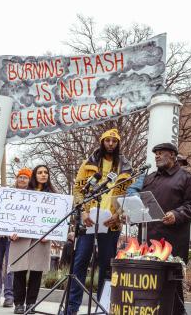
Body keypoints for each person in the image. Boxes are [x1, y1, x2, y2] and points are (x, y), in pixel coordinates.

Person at [68, 128, 133, 315]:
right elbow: (79, 190)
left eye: (114, 141)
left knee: (106, 267)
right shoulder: (89, 163)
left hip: (111, 223)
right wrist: (83, 213)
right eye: (107, 140)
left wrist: (119, 213)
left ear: (118, 143)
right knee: (79, 264)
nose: (111, 144)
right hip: (89, 221)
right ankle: (72, 308)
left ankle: (102, 308)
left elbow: (129, 193)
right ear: (102, 142)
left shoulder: (125, 166)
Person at [139, 142, 191, 315]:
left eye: (161, 153)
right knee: (150, 285)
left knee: (173, 287)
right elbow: (143, 204)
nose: (156, 156)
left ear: (172, 155)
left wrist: (176, 214)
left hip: (173, 241)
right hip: (149, 239)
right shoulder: (149, 178)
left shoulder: (186, 177)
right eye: (155, 153)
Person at [0, 168, 32, 308]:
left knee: (10, 267)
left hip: (15, 238)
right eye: (20, 177)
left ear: (29, 180)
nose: (22, 179)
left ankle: (9, 296)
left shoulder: (31, 197)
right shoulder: (5, 193)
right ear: (16, 179)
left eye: (25, 177)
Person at [8, 165, 54, 314]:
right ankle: (19, 303)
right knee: (19, 271)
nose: (43, 175)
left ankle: (31, 304)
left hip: (42, 240)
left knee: (36, 273)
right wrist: (11, 232)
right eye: (40, 172)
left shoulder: (55, 196)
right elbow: (13, 214)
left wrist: (51, 235)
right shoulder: (23, 194)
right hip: (21, 238)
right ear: (34, 175)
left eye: (46, 172)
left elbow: (57, 219)